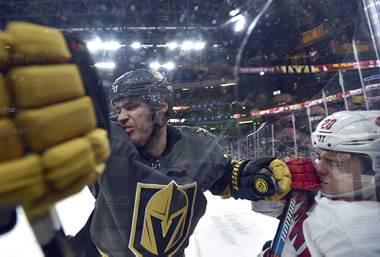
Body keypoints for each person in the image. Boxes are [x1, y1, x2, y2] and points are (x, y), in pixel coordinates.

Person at [69, 68, 292, 257]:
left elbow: (224, 178)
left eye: (131, 106)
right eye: (118, 110)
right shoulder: (107, 147)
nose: (121, 116)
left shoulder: (197, 148)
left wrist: (249, 175)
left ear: (161, 106)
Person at [259, 110, 380, 257]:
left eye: (337, 162)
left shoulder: (360, 234)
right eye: (318, 156)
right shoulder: (322, 194)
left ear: (373, 167)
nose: (319, 168)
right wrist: (271, 186)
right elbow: (265, 208)